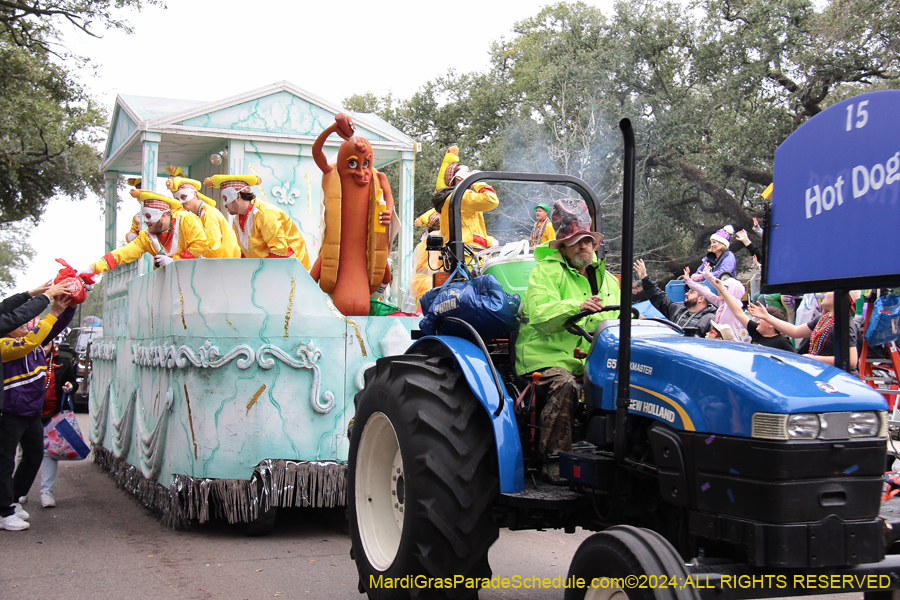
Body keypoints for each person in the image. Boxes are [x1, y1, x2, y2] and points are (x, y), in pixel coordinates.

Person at [515, 199, 620, 484]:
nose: (583, 246)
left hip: (591, 361)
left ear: (595, 244)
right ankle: (553, 460)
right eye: (575, 241)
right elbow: (539, 315)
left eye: (587, 240)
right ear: (562, 246)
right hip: (545, 357)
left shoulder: (609, 280)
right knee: (565, 384)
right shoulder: (545, 273)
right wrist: (577, 306)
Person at [0, 296, 75, 531]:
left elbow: (56, 326)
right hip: (9, 413)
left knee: (33, 457)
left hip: (32, 413)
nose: (26, 327)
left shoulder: (34, 341)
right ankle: (3, 513)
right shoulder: (7, 345)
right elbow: (30, 342)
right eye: (21, 325)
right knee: (4, 463)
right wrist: (51, 310)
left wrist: (70, 305)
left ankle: (14, 499)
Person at [85, 190, 212, 274]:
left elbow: (201, 245)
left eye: (149, 216)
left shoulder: (185, 220)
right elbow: (121, 254)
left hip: (197, 276)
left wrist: (175, 260)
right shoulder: (146, 237)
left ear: (163, 215)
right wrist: (92, 269)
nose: (145, 222)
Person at [204, 175, 311, 268]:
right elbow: (245, 252)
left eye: (225, 198)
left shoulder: (265, 214)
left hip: (290, 268)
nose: (224, 204)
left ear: (238, 196)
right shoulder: (236, 220)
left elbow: (279, 251)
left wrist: (263, 276)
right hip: (266, 270)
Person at [748, 291, 860, 372]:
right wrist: (767, 317)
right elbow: (794, 331)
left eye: (830, 291)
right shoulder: (823, 319)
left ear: (841, 296)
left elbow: (851, 360)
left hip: (841, 381)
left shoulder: (843, 323)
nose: (825, 294)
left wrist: (812, 359)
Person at [35, 338, 78, 508]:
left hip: (53, 415)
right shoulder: (25, 360)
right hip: (29, 414)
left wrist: (70, 386)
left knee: (50, 453)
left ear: (52, 344)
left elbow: (73, 382)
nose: (43, 348)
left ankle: (46, 492)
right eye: (40, 344)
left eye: (46, 344)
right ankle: (19, 491)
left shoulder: (63, 362)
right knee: (26, 454)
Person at [428, 147, 499, 250]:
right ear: (459, 177)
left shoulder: (451, 198)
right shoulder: (462, 196)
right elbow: (491, 200)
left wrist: (489, 242)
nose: (470, 173)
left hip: (463, 251)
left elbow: (467, 230)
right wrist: (477, 180)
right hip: (469, 253)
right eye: (468, 171)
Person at [710, 276, 795, 351]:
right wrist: (722, 290)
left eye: (762, 319)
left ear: (771, 324)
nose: (758, 321)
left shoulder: (782, 342)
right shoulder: (757, 333)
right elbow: (738, 313)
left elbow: (794, 359)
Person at [634, 259, 716, 337]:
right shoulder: (678, 310)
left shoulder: (710, 319)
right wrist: (645, 277)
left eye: (691, 292)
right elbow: (658, 297)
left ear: (701, 299)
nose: (686, 293)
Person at [166, 175, 240, 258]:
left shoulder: (208, 214)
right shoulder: (197, 215)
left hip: (225, 263)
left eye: (183, 197)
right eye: (177, 199)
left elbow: (214, 247)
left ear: (194, 193)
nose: (181, 202)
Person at [683, 265, 750, 342]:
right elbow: (705, 292)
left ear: (732, 291)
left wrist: (708, 275)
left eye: (725, 287)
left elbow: (721, 288)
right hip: (719, 337)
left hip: (730, 340)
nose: (719, 290)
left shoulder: (735, 304)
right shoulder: (722, 303)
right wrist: (688, 281)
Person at [412, 212, 442, 306]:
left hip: (418, 284)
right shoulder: (440, 236)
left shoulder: (421, 243)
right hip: (432, 283)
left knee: (420, 314)